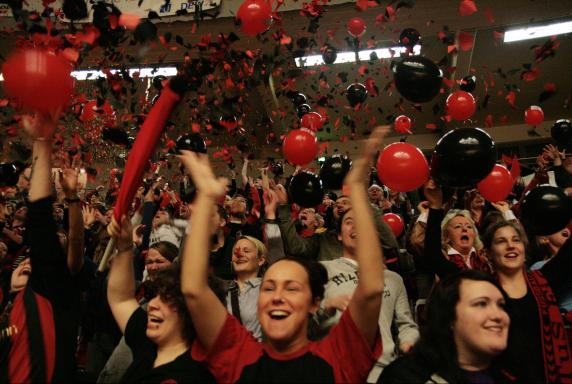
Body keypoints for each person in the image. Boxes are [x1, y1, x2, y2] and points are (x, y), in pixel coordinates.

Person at [180, 126, 389, 383]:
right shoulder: (239, 355)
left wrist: (357, 189)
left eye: (291, 288)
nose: (277, 297)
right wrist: (205, 199)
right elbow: (193, 289)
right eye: (268, 288)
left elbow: (371, 289)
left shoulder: (338, 357)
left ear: (315, 303)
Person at [424, 179, 572, 383]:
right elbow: (433, 257)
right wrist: (435, 206)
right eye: (501, 241)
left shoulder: (544, 280)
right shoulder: (480, 288)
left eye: (516, 240)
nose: (511, 246)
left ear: (523, 248)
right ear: (489, 253)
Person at [0, 111, 85, 382]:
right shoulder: (7, 313)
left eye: (31, 261)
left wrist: (41, 142)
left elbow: (41, 219)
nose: (27, 262)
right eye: (21, 262)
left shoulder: (48, 293)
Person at [106, 214, 216, 383]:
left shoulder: (201, 372)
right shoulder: (147, 340)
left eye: (166, 299)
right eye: (157, 297)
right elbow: (121, 299)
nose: (152, 305)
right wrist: (125, 247)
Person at [318, 207, 419, 382]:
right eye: (349, 222)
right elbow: (303, 319)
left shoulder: (393, 279)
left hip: (382, 369)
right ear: (340, 235)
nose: (356, 226)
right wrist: (326, 308)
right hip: (335, 366)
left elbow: (406, 324)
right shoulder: (322, 270)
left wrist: (408, 342)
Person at [379, 270, 513, 383]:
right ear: (449, 317)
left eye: (501, 305)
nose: (498, 315)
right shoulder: (405, 377)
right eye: (481, 304)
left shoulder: (512, 375)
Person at [226, 235, 267, 340]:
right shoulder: (221, 289)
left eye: (247, 251)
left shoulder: (268, 289)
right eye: (235, 252)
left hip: (257, 353)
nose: (239, 255)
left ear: (261, 260)